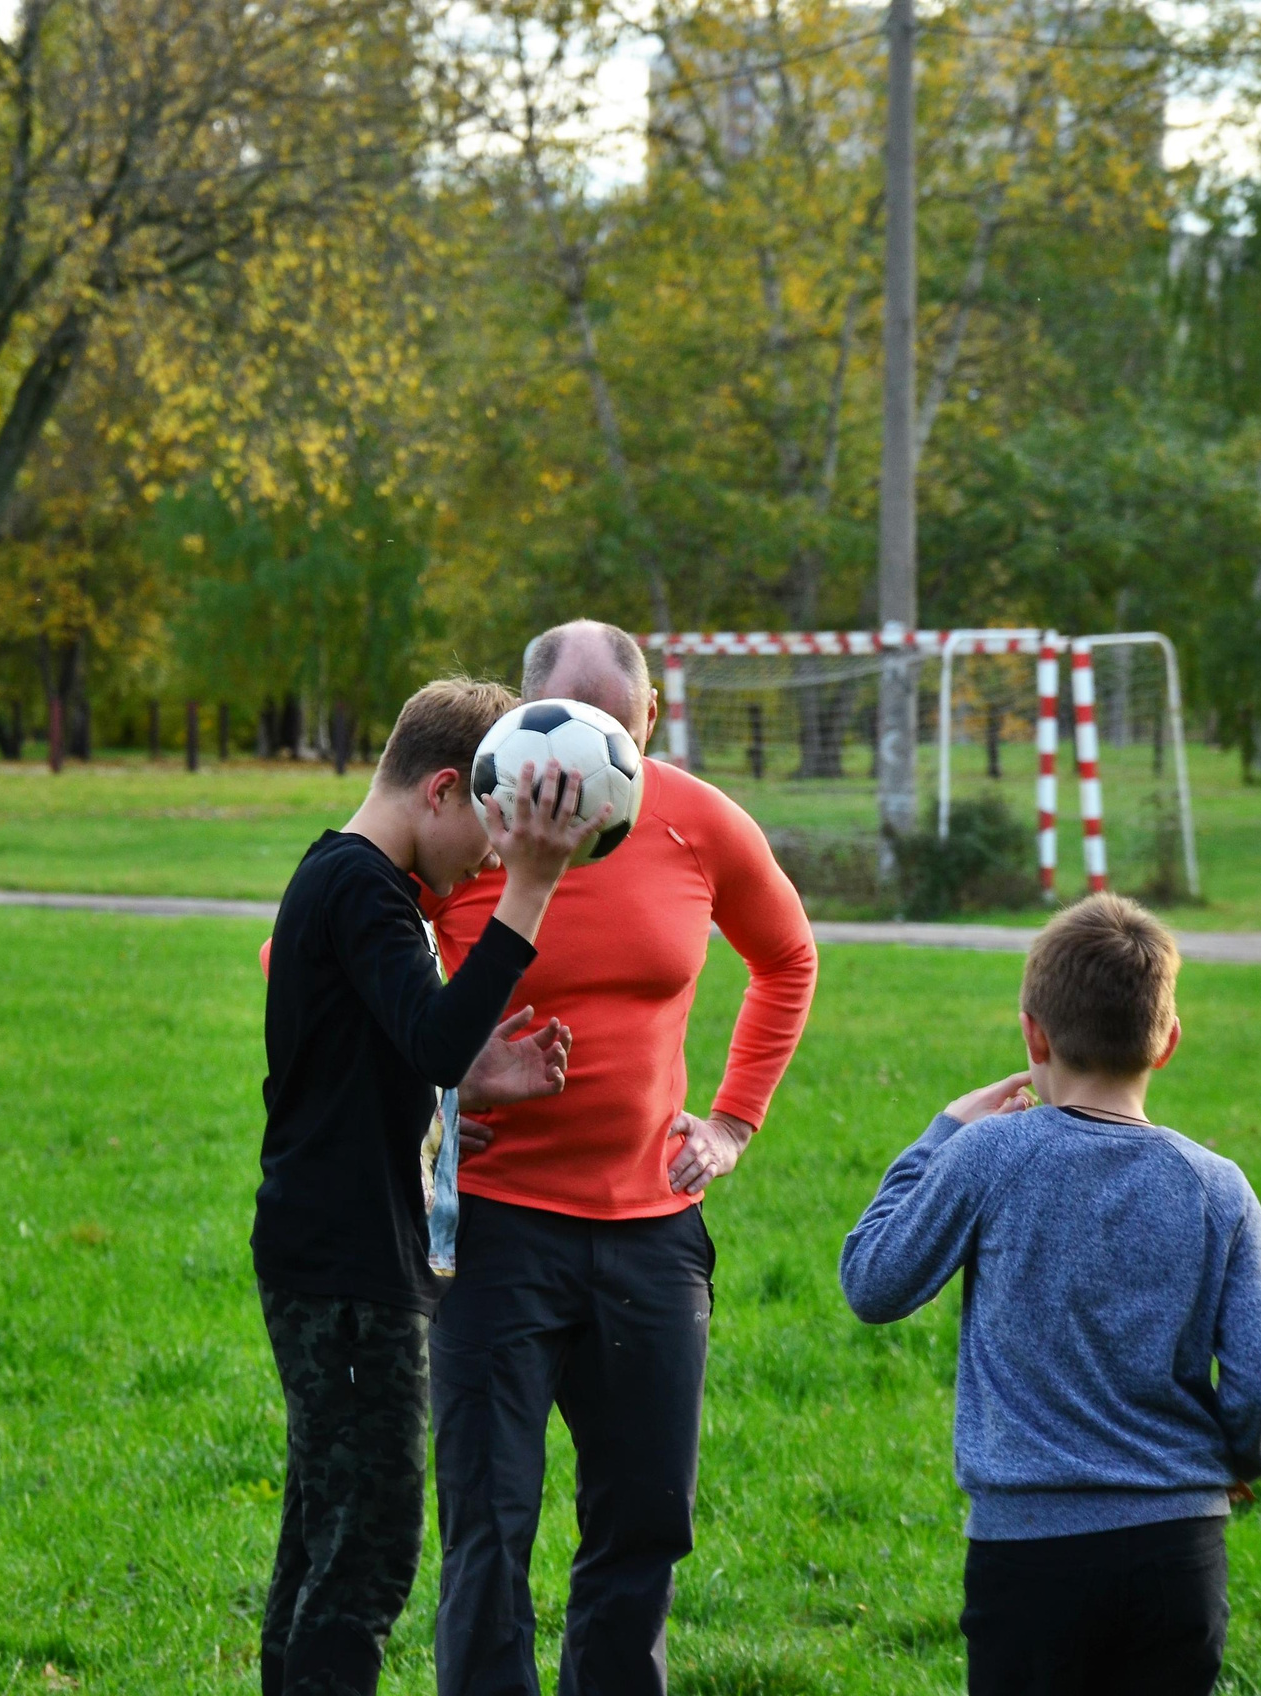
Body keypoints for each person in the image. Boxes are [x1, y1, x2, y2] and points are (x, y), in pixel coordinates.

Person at [422, 621, 819, 1696]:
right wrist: (448, 1084)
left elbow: (786, 956)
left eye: (619, 719)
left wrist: (732, 1120)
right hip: (491, 1232)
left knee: (645, 1521)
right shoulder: (469, 819)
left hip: (650, 1235)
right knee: (487, 1528)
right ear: (522, 710)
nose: (595, 738)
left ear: (647, 720)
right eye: (571, 714)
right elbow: (311, 969)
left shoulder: (695, 820)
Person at [838, 894, 1261, 1696]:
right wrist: (1239, 1457)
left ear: (1033, 1034)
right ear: (1169, 1043)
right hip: (1179, 1550)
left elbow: (873, 1282)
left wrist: (941, 1134)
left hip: (1029, 1554)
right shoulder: (1220, 1188)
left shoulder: (989, 1155)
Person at [254, 677, 609, 1696]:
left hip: (331, 1253)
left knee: (321, 1544)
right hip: (346, 1271)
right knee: (363, 1556)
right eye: (490, 840)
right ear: (445, 789)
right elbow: (438, 1034)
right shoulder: (362, 887)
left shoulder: (354, 885)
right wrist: (532, 889)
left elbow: (390, 1056)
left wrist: (457, 1091)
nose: (489, 864)